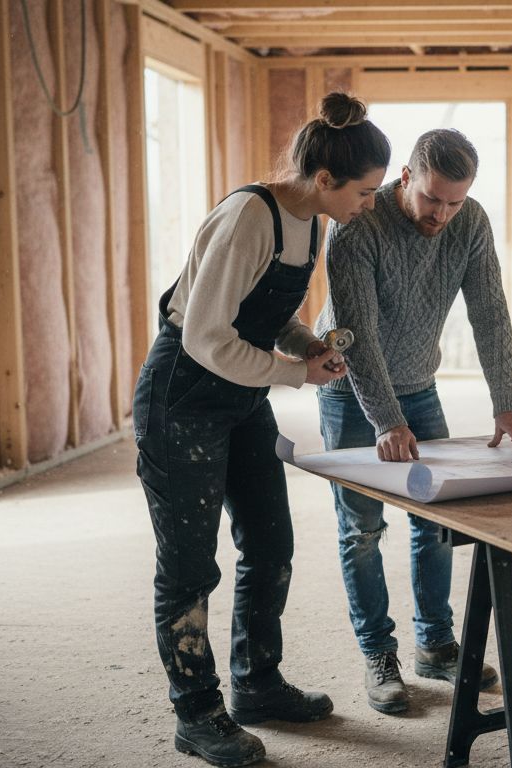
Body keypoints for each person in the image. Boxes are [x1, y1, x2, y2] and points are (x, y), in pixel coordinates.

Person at [133, 93, 390, 767]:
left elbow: (269, 316)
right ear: (325, 179)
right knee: (189, 567)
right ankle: (197, 714)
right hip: (183, 396)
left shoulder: (313, 224)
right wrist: (295, 374)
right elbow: (206, 337)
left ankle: (256, 684)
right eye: (365, 192)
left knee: (271, 542)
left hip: (242, 396)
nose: (370, 204)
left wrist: (307, 345)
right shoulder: (250, 216)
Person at [315, 128, 512, 714]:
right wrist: (386, 420)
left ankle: (435, 644)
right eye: (432, 198)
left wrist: (506, 398)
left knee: (436, 520)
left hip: (419, 384)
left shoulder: (470, 221)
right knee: (361, 529)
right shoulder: (357, 225)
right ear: (406, 177)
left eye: (454, 202)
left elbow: (489, 310)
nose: (442, 214)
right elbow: (357, 334)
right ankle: (378, 654)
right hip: (349, 388)